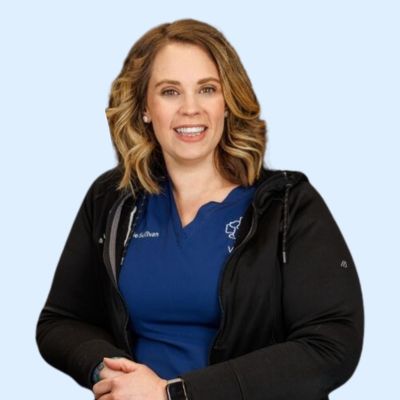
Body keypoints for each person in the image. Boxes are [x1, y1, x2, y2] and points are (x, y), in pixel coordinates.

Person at [36, 18, 364, 400]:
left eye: (207, 89)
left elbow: (331, 346)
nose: (190, 108)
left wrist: (173, 394)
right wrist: (114, 374)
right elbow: (61, 321)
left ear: (227, 103)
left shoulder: (289, 205)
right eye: (170, 92)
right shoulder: (112, 199)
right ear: (145, 108)